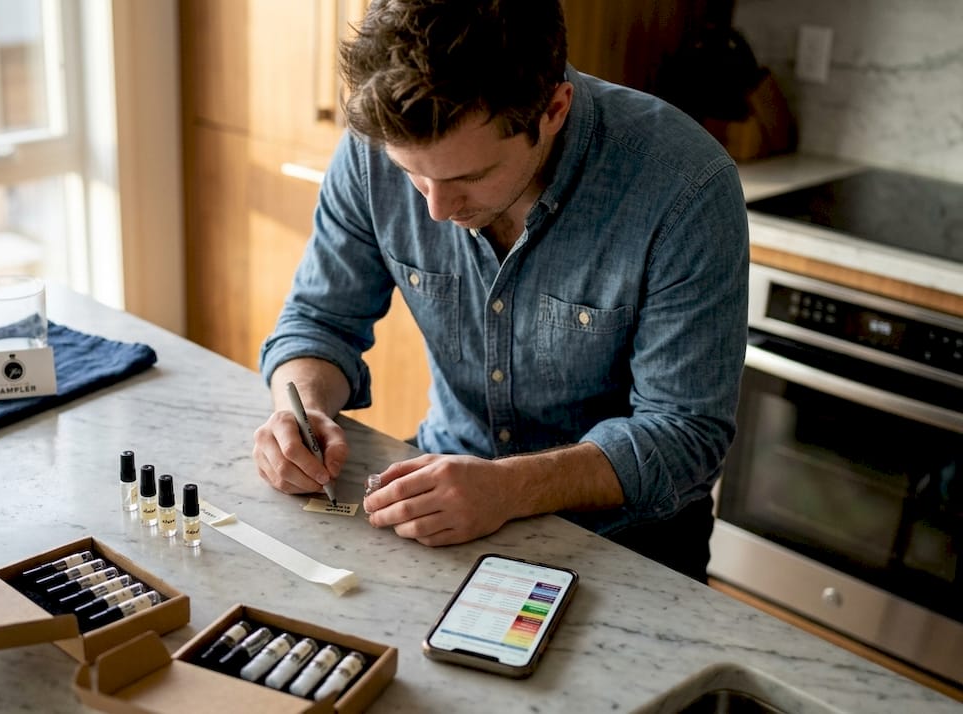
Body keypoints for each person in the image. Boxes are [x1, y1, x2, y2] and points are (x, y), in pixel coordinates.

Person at [252, 0, 748, 582]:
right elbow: (318, 321)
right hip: (439, 504)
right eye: (414, 175)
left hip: (628, 541)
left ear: (554, 109)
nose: (435, 209)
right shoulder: (372, 150)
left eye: (469, 178)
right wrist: (302, 406)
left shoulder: (685, 187)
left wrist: (510, 488)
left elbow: (685, 433)